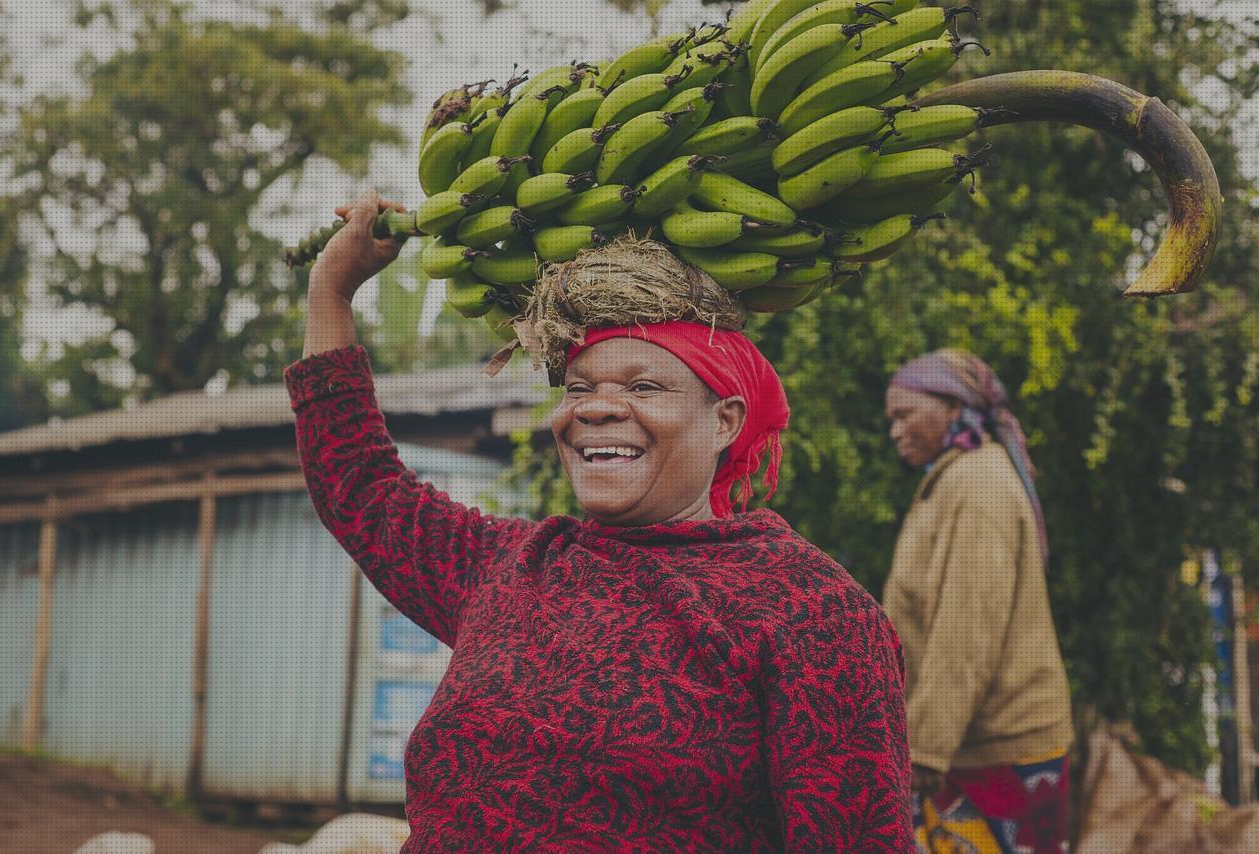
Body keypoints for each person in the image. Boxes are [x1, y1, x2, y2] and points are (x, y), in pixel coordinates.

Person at [285, 191, 912, 850]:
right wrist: (332, 290)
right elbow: (359, 485)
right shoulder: (512, 566)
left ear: (724, 421)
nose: (597, 408)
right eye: (580, 388)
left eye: (643, 388)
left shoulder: (810, 612)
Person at [882, 349, 1074, 853]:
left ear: (952, 406)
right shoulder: (954, 479)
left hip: (995, 750)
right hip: (972, 745)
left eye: (905, 415)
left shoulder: (977, 486)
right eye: (891, 420)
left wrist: (924, 751)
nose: (895, 431)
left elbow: (966, 633)